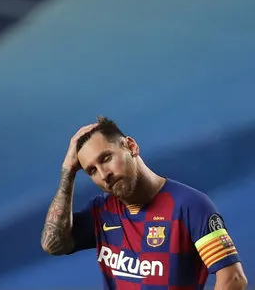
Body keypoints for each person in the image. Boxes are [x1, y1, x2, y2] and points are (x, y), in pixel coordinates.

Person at [40, 116, 248, 289]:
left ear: (131, 146)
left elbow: (233, 279)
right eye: (92, 171)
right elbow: (53, 244)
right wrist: (68, 171)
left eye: (106, 158)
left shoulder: (190, 206)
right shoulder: (101, 211)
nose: (104, 175)